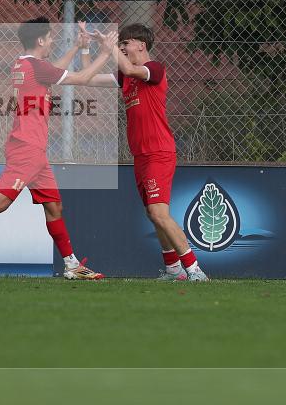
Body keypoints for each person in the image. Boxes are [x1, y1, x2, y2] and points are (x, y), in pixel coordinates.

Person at [0, 17, 116, 279]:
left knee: (54, 207)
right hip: (27, 149)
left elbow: (54, 70)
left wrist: (78, 47)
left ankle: (71, 265)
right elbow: (82, 78)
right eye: (50, 37)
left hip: (35, 151)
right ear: (41, 40)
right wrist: (106, 52)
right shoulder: (37, 67)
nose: (53, 40)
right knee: (1, 202)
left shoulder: (25, 63)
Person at [82, 22, 208, 281]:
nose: (123, 48)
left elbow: (128, 67)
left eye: (125, 43)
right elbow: (89, 79)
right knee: (153, 213)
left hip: (158, 152)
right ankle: (173, 270)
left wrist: (108, 45)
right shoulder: (125, 76)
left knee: (159, 213)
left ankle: (194, 269)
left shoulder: (154, 69)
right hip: (141, 155)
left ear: (142, 44)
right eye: (121, 44)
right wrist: (87, 47)